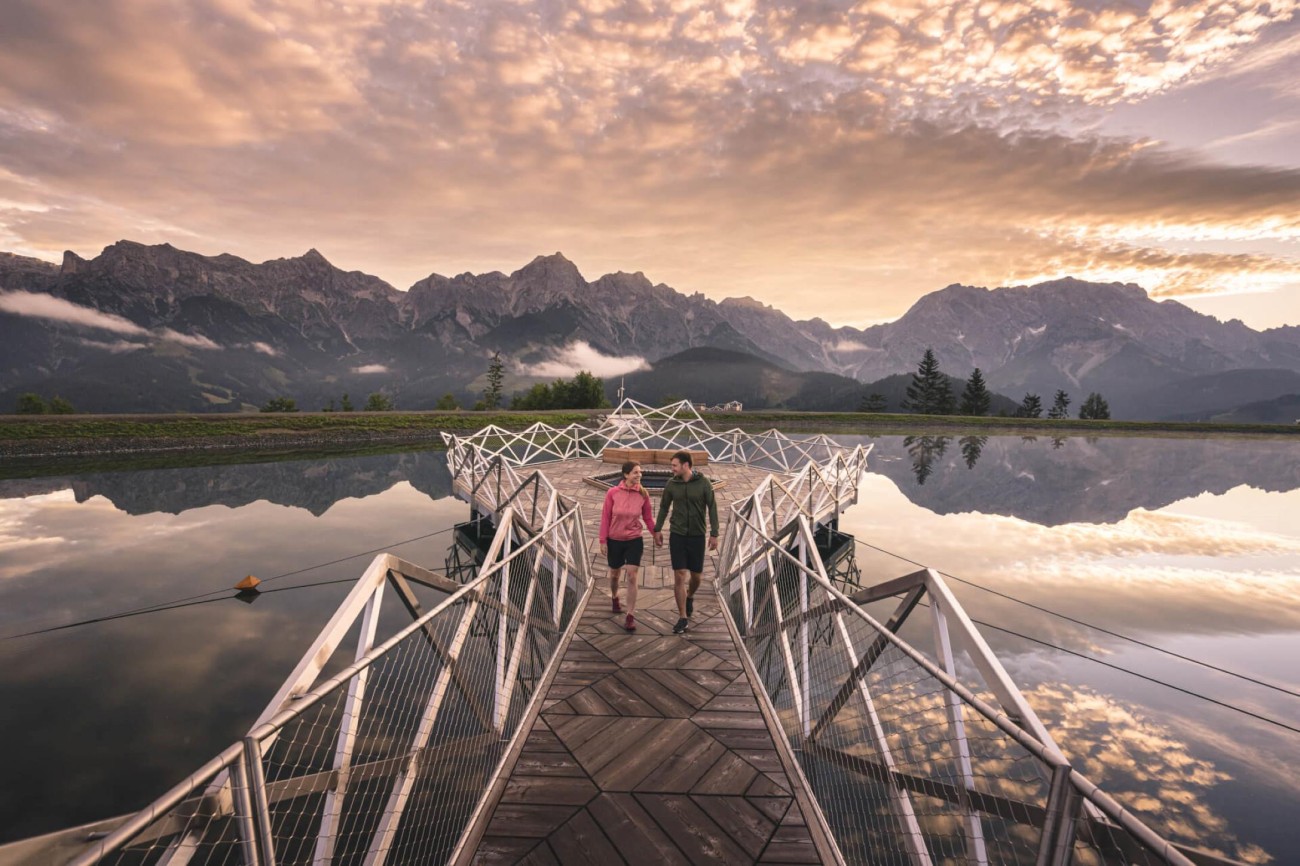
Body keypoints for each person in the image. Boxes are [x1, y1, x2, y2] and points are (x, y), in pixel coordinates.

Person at [653, 450, 718, 634]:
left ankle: (690, 596)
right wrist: (657, 529)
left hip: (697, 535)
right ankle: (682, 617)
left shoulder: (704, 483)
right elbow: (664, 507)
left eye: (674, 465)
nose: (671, 468)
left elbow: (712, 507)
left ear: (686, 465)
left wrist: (715, 533)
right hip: (678, 534)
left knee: (696, 577)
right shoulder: (671, 484)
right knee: (680, 574)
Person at [599, 461, 654, 632]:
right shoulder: (612, 493)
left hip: (634, 540)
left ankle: (630, 615)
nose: (639, 475)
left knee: (632, 575)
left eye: (640, 472)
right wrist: (603, 540)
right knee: (615, 575)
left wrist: (656, 533)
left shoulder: (643, 494)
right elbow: (605, 517)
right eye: (635, 472)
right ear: (626, 475)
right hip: (614, 539)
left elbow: (648, 518)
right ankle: (615, 597)